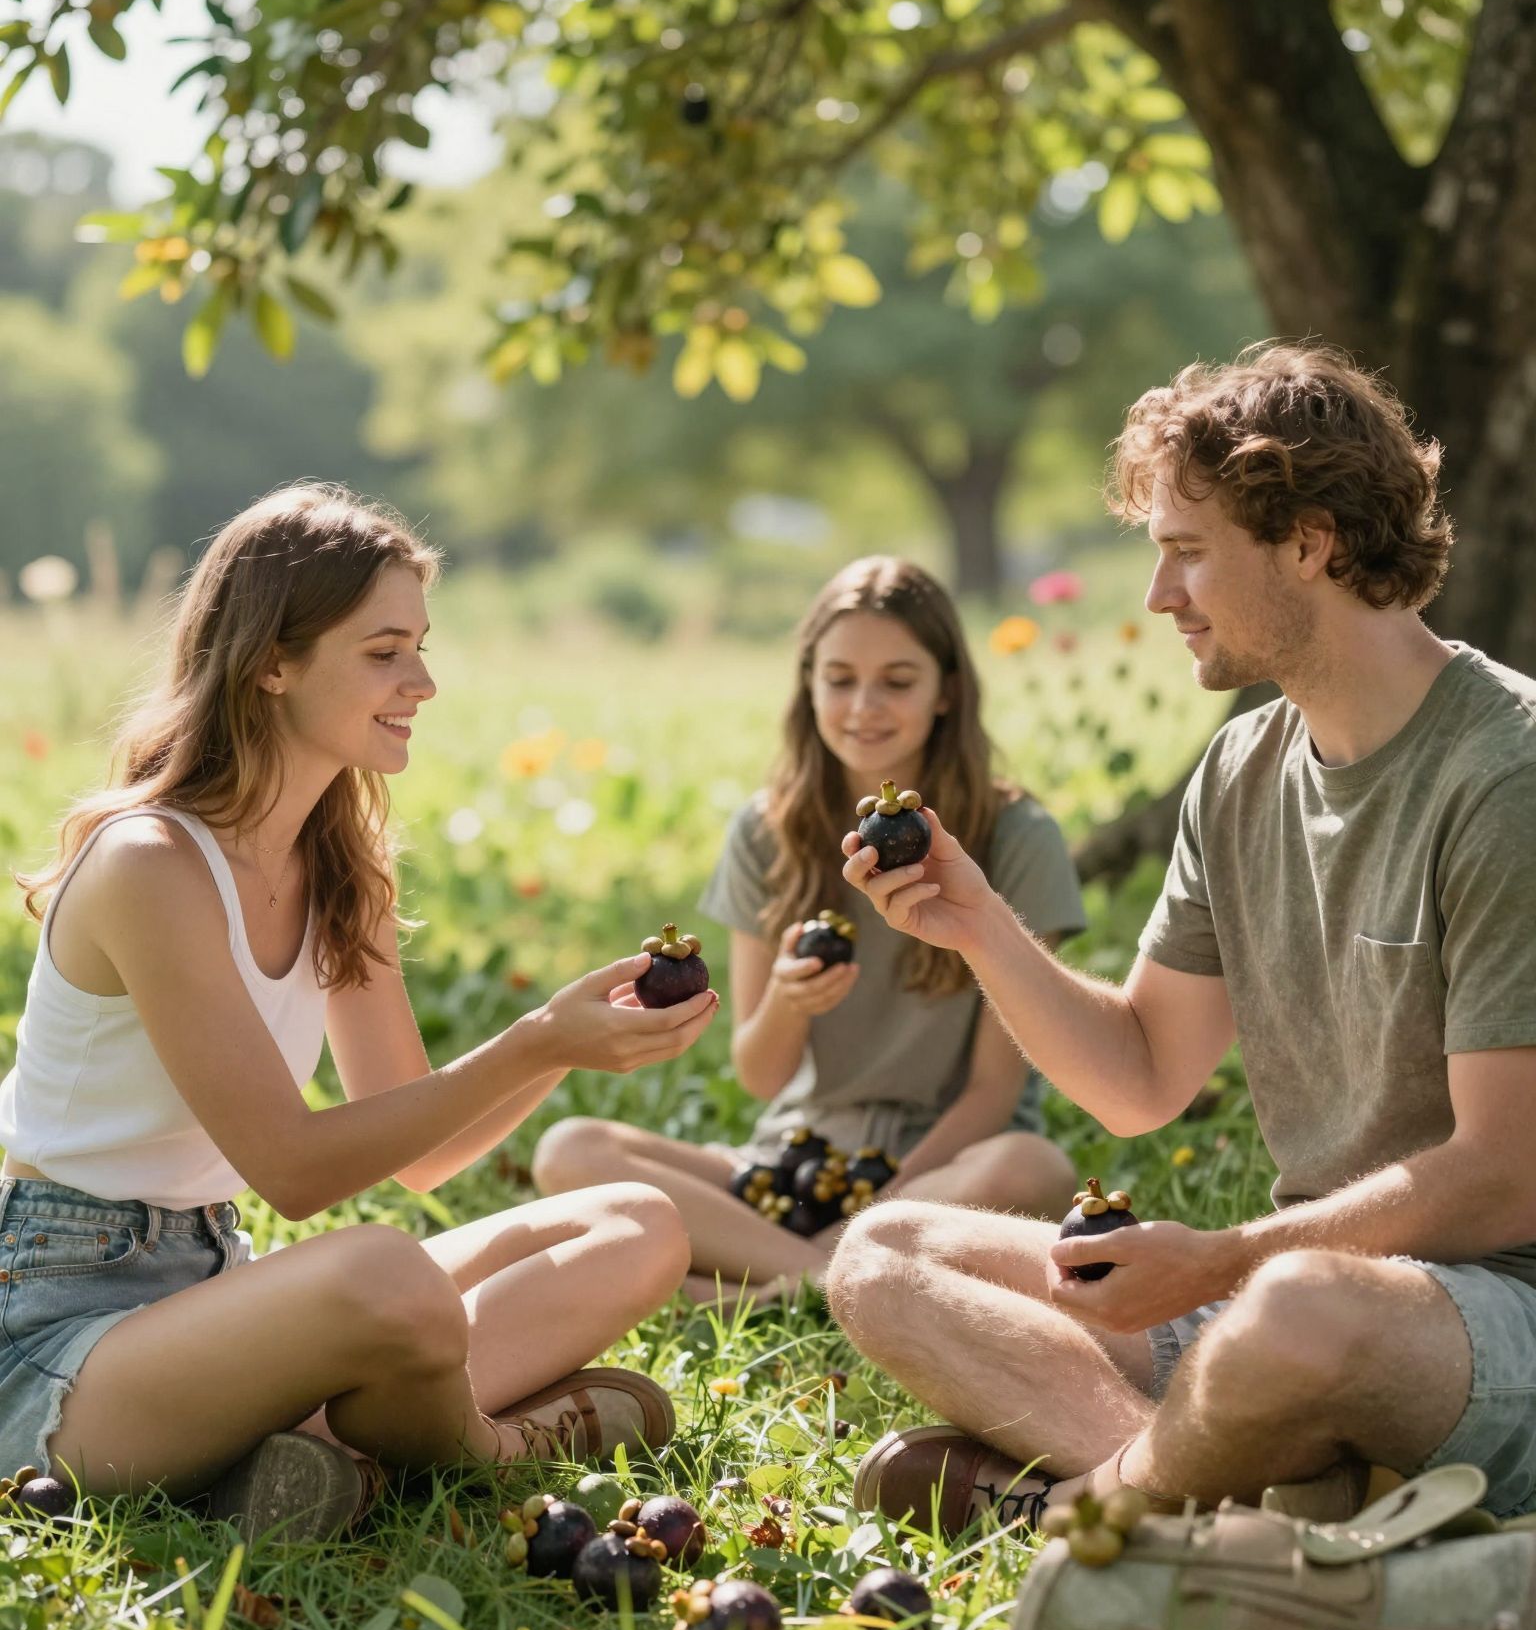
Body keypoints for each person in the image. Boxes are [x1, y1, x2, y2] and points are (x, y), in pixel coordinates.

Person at [827, 342, 1536, 1535]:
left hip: (1475, 1311)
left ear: (1310, 542)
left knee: (1302, 1310)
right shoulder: (1243, 768)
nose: (1159, 598)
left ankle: (1089, 1506)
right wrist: (978, 924)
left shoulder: (1506, 773)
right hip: (1286, 1301)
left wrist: (1220, 1262)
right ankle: (1228, 1492)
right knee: (884, 1254)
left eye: (1188, 554)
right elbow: (1143, 1074)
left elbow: (1505, 1171)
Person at [0, 485, 717, 1538]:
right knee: (382, 1272)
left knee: (640, 1221)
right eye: (385, 651)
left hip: (216, 1288)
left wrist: (564, 1047)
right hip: (60, 1335)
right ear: (271, 661)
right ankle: (497, 1445)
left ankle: (316, 1455)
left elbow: (420, 1147)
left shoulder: (337, 862)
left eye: (420, 646)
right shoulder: (151, 864)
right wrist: (533, 1036)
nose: (422, 681)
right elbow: (293, 1169)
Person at [533, 556, 1085, 1301]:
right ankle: (826, 1284)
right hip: (791, 1164)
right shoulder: (769, 832)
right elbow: (760, 1075)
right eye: (839, 679)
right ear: (809, 685)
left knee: (1034, 1168)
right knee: (572, 1149)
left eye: (897, 680)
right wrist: (790, 1005)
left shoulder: (1016, 835)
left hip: (944, 1168)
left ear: (947, 690)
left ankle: (748, 1285)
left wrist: (876, 1211)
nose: (864, 705)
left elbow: (992, 1091)